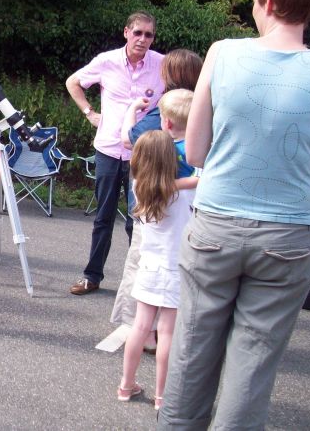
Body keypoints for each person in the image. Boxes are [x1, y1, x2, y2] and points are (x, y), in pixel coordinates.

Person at [159, 0, 310, 430]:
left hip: (216, 228)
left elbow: (196, 150)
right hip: (288, 241)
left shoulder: (222, 54)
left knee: (191, 354)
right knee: (253, 365)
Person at [66, 11, 164, 295]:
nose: (143, 39)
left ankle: (139, 283)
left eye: (149, 35)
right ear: (126, 32)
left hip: (143, 153)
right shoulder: (106, 61)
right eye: (138, 33)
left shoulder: (162, 64)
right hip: (108, 149)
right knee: (103, 217)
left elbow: (176, 94)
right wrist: (89, 113)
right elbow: (73, 82)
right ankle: (92, 276)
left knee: (140, 219)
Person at [110, 51, 202, 343]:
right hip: (188, 213)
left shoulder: (167, 107)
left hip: (152, 203)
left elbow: (129, 139)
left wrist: (132, 110)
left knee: (143, 261)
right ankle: (169, 330)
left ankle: (141, 329)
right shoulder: (202, 109)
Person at [118, 105, 195, 411]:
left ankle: (126, 385)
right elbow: (196, 181)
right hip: (175, 269)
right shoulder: (178, 190)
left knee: (140, 327)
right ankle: (162, 396)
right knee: (167, 334)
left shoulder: (140, 187)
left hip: (148, 267)